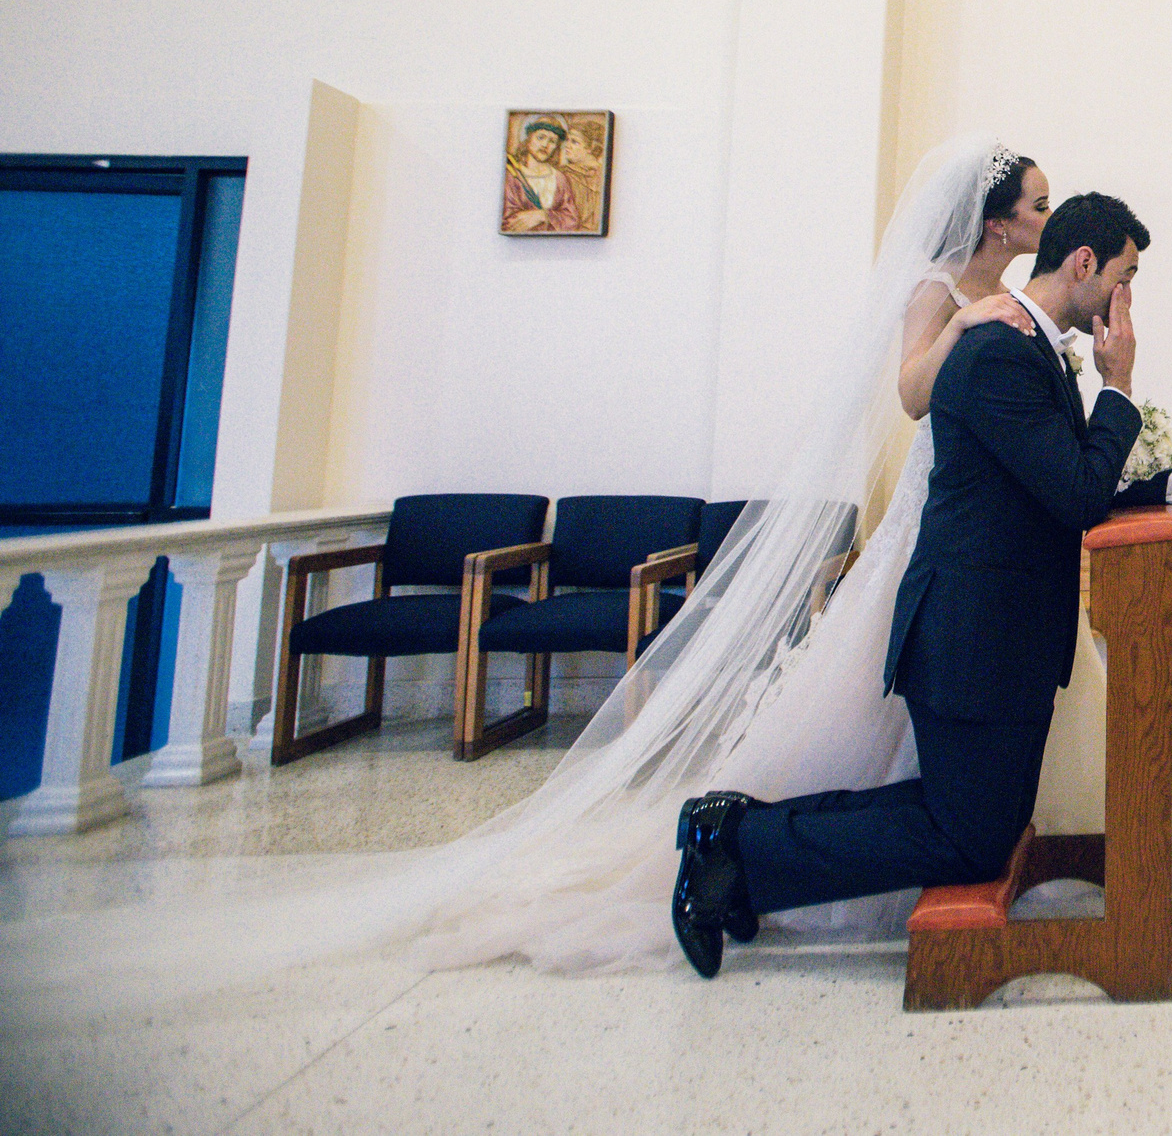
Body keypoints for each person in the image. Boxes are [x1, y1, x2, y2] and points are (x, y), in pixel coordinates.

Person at [0, 136, 1101, 997]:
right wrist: (968, 331)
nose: (1045, 218)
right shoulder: (943, 291)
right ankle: (762, 840)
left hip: (972, 532)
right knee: (895, 710)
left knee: (922, 730)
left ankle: (869, 844)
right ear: (997, 216)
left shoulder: (1020, 308)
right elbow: (908, 394)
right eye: (1037, 202)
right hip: (940, 525)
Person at [667, 193, 1172, 978]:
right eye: (1125, 277)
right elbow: (1076, 492)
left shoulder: (1032, 349)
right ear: (1084, 263)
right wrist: (1119, 383)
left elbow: (1064, 480)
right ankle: (734, 842)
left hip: (1002, 634)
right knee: (968, 836)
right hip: (972, 634)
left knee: (975, 822)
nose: (1127, 298)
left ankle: (736, 840)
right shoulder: (998, 353)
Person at [501, 117, 582, 233]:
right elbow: (507, 222)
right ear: (528, 138)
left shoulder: (559, 178)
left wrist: (543, 216)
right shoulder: (513, 176)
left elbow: (572, 220)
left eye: (552, 141)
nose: (545, 145)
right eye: (540, 137)